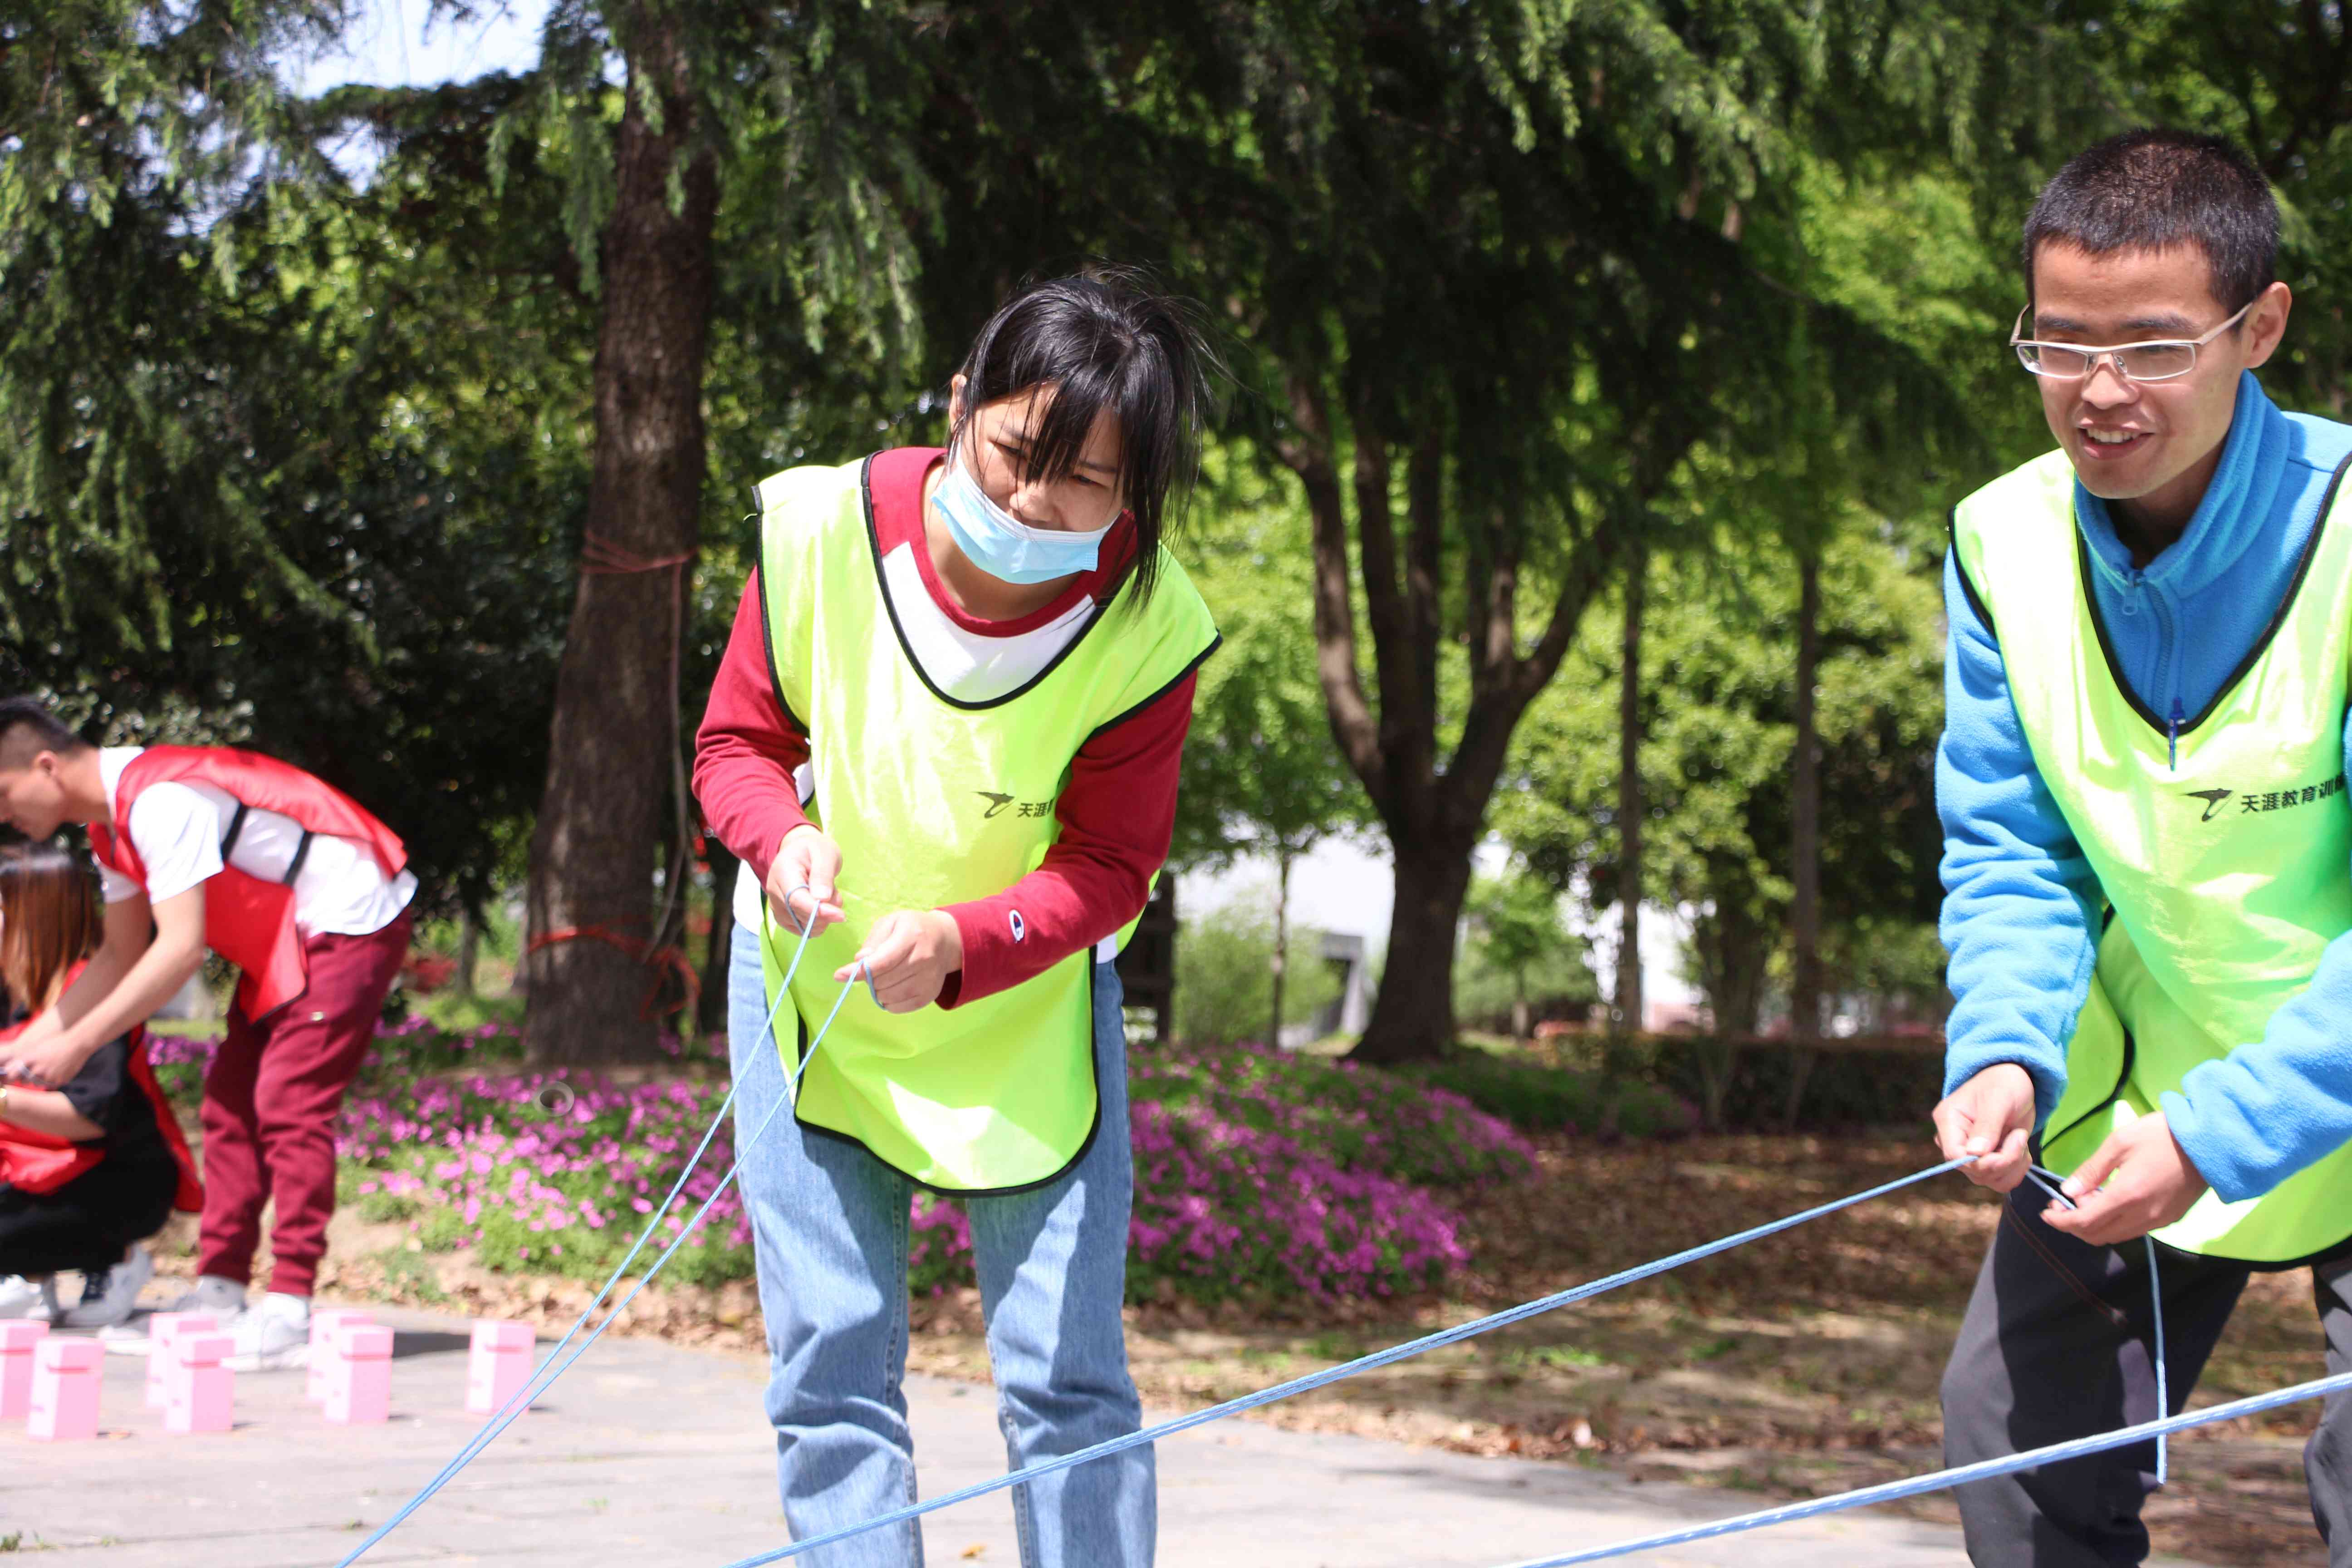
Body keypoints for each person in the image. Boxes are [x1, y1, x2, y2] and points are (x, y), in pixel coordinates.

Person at [693, 270, 1220, 1567]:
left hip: (1026, 1015)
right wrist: (780, 835)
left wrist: (966, 946)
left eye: (1085, 481)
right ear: (959, 402)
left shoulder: (1148, 624)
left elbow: (1110, 864)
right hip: (810, 986)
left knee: (1066, 1384)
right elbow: (735, 746)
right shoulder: (822, 528)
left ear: (1136, 492)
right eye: (1011, 454)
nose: (1033, 503)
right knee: (831, 1374)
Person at [1933, 127, 2352, 1564]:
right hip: (2144, 1094)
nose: (2101, 392)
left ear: (2262, 327)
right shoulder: (2001, 540)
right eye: (2061, 343)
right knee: (2017, 1446)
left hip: (2294, 1085)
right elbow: (2012, 849)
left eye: (2157, 346)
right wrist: (2002, 1045)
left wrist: (2226, 1136)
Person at [0, 705, 415, 1367]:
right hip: (284, 940)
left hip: (348, 918)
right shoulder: (111, 833)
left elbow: (180, 952)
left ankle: (289, 1307)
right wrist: (23, 1045)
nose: (2, 815)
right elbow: (117, 956)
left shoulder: (159, 803)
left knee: (288, 1103)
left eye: (2, 793)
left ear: (45, 767)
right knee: (229, 1105)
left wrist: (75, 1047)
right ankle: (221, 1292)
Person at [0, 842, 201, 1325]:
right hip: (28, 1173)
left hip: (116, 1179)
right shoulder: (7, 993)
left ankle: (115, 1260)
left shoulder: (96, 997)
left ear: (34, 914)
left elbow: (89, 1120)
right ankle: (29, 1278)